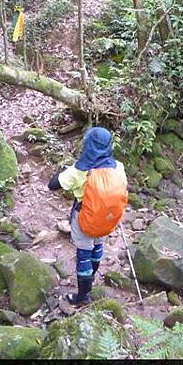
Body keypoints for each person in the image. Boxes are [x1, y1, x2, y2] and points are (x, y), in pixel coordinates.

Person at [48, 127, 128, 305]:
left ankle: (83, 296)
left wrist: (64, 171)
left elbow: (52, 185)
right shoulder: (119, 167)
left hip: (84, 217)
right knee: (98, 245)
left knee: (83, 254)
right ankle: (90, 278)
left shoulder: (79, 170)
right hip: (107, 217)